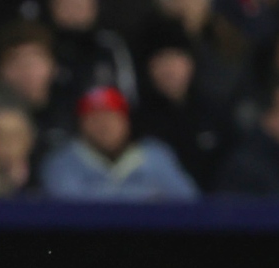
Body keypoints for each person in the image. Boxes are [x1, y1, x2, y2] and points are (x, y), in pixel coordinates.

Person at [38, 86, 196, 201]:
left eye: (111, 117)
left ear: (126, 121)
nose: (104, 126)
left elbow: (188, 203)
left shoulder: (155, 156)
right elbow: (69, 211)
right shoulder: (62, 162)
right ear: (81, 125)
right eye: (95, 118)